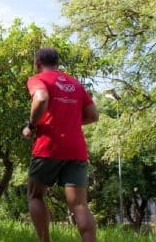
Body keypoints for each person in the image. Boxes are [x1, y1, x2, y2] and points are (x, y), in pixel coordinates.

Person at [22, 47, 99, 242]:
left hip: (48, 147)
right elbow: (93, 115)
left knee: (35, 195)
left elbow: (41, 98)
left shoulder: (38, 79)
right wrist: (70, 121)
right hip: (76, 148)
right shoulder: (75, 84)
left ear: (37, 63)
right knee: (79, 205)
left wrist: (31, 125)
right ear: (57, 63)